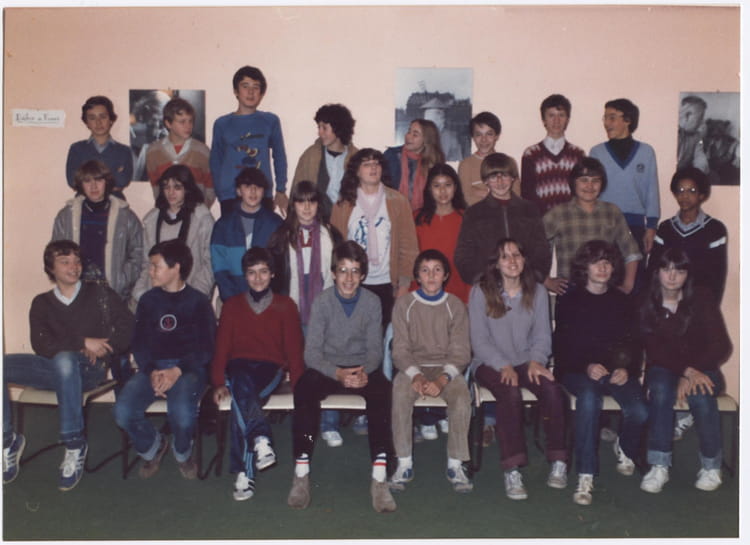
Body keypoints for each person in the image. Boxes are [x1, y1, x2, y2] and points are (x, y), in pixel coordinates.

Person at [3, 240, 133, 490]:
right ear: (50, 268)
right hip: (53, 369)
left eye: (77, 261)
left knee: (64, 359)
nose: (73, 267)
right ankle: (7, 441)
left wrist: (104, 348)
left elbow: (128, 327)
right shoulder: (41, 302)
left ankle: (74, 444)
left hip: (89, 371)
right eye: (65, 262)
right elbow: (41, 344)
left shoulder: (100, 293)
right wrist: (82, 342)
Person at [287, 241, 396, 513]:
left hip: (361, 367)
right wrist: (337, 373)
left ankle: (379, 477)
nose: (349, 278)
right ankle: (301, 472)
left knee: (383, 391)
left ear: (363, 275)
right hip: (329, 367)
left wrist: (363, 372)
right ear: (334, 273)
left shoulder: (372, 302)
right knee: (303, 388)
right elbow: (312, 353)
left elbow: (375, 350)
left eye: (355, 271)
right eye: (343, 270)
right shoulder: (323, 302)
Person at [469, 239, 567, 500]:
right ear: (496, 264)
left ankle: (558, 460)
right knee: (509, 391)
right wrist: (503, 365)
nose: (512, 261)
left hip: (526, 361)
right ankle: (512, 469)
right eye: (505, 256)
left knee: (552, 389)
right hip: (489, 362)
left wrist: (536, 360)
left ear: (524, 260)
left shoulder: (537, 291)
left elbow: (543, 335)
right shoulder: (481, 291)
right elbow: (479, 341)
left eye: (516, 255)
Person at [552, 240, 648, 506]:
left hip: (615, 371)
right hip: (577, 370)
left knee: (640, 411)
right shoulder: (569, 300)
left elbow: (633, 343)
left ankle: (624, 446)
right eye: (596, 262)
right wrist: (586, 366)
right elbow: (562, 346)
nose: (603, 267)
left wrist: (626, 368)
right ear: (585, 267)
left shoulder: (622, 301)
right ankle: (586, 474)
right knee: (589, 400)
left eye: (607, 262)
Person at [113, 239, 215, 480]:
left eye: (155, 266)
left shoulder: (198, 302)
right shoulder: (148, 301)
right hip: (154, 368)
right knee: (123, 411)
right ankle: (153, 446)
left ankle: (183, 452)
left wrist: (177, 370)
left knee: (182, 413)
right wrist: (151, 371)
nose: (150, 272)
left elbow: (206, 348)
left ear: (176, 267)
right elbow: (139, 344)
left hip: (188, 369)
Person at [211, 247, 304, 501]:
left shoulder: (286, 305)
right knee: (241, 383)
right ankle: (260, 439)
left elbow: (294, 351)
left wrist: (299, 386)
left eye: (263, 272)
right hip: (238, 368)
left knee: (242, 397)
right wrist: (218, 382)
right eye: (252, 273)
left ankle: (245, 471)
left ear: (272, 274)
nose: (258, 278)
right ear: (245, 275)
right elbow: (221, 349)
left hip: (269, 369)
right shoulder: (232, 306)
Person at [637, 248, 732, 494]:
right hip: (665, 368)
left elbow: (721, 345)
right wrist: (685, 372)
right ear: (657, 272)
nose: (672, 276)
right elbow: (654, 350)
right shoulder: (647, 302)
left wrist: (693, 371)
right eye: (666, 269)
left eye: (679, 270)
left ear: (687, 274)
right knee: (660, 389)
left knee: (701, 394)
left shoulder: (702, 297)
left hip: (703, 367)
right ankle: (659, 465)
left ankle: (711, 466)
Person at [267, 180, 344, 448]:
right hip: (292, 312)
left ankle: (330, 423)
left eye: (312, 201)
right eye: (301, 201)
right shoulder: (281, 236)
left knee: (326, 366)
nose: (307, 207)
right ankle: (303, 421)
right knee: (299, 368)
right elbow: (273, 278)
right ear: (293, 205)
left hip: (324, 313)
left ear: (318, 204)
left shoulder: (331, 235)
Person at [390, 249, 472, 492]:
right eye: (425, 271)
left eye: (437, 270)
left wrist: (444, 379)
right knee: (400, 393)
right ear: (417, 276)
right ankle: (404, 462)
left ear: (445, 275)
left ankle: (456, 464)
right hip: (413, 367)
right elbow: (400, 349)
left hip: (446, 368)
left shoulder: (455, 305)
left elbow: (461, 351)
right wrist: (414, 375)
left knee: (461, 396)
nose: (431, 276)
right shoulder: (404, 304)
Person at [331, 148, 419, 327]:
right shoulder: (343, 204)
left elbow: (408, 247)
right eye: (366, 164)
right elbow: (336, 248)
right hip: (353, 282)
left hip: (387, 283)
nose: (373, 168)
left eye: (376, 164)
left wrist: (403, 286)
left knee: (384, 334)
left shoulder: (398, 201)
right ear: (356, 171)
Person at [542, 157, 642, 297]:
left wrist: (628, 285)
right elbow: (535, 249)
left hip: (605, 289)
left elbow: (631, 252)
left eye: (595, 181)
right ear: (573, 182)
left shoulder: (612, 212)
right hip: (570, 291)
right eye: (584, 180)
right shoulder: (558, 213)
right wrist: (546, 281)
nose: (590, 186)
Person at [590, 98, 660, 290]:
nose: (607, 123)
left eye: (612, 117)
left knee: (634, 283)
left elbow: (651, 190)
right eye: (605, 118)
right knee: (605, 279)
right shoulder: (597, 153)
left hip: (635, 227)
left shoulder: (646, 152)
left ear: (627, 120)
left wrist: (651, 227)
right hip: (604, 225)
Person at [454, 153, 551, 287]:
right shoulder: (474, 213)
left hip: (525, 285)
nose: (500, 182)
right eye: (493, 177)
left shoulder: (529, 209)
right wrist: (482, 279)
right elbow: (463, 254)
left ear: (513, 178)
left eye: (504, 175)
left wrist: (533, 277)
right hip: (489, 287)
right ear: (485, 180)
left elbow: (542, 250)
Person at [52, 159, 143, 301]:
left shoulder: (125, 217)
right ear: (81, 184)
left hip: (113, 294)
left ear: (106, 182)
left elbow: (139, 253)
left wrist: (122, 279)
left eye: (99, 180)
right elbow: (55, 253)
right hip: (76, 294)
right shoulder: (66, 216)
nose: (93, 186)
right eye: (87, 181)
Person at [209, 65, 288, 216]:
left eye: (256, 87)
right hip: (230, 195)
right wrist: (220, 192)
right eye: (245, 86)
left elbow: (279, 156)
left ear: (262, 93)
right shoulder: (222, 124)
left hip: (262, 193)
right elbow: (215, 161)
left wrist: (281, 189)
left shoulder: (270, 121)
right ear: (236, 91)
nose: (250, 92)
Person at [132, 165, 214, 306]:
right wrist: (141, 293)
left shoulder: (202, 219)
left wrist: (195, 296)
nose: (171, 192)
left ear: (187, 189)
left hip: (190, 296)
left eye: (177, 187)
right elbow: (147, 263)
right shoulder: (152, 220)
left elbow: (209, 263)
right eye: (166, 187)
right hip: (157, 297)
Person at [649, 167, 727, 304]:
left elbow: (717, 275)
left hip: (699, 301)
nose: (685, 196)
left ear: (701, 195)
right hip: (667, 298)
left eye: (692, 191)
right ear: (675, 194)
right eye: (680, 190)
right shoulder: (665, 228)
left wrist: (710, 307)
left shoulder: (715, 229)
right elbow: (653, 268)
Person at [211, 167, 283, 302]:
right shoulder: (223, 225)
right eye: (247, 186)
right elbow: (219, 268)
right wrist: (233, 300)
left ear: (264, 191)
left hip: (268, 301)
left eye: (258, 187)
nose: (253, 191)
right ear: (239, 191)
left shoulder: (275, 224)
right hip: (231, 300)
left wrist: (270, 299)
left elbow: (280, 267)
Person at [413, 163, 470, 303]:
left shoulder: (467, 218)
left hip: (460, 292)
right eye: (437, 186)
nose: (443, 191)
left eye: (448, 185)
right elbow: (410, 258)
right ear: (429, 189)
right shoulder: (416, 218)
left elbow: (472, 260)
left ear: (455, 187)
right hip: (423, 290)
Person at [521, 94, 586, 215]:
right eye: (551, 115)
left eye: (561, 115)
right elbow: (527, 194)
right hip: (541, 220)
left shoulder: (578, 154)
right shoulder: (531, 154)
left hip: (571, 219)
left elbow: (581, 192)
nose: (556, 120)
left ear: (567, 119)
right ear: (543, 120)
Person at [145, 97, 215, 208]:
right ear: (168, 123)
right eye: (182, 122)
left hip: (196, 212)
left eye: (190, 121)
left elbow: (210, 185)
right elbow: (156, 186)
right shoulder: (153, 152)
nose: (188, 126)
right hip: (168, 212)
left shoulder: (202, 151)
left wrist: (202, 208)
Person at [290, 103, 358, 217]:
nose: (319, 132)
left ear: (338, 128)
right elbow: (296, 191)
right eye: (319, 127)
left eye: (325, 128)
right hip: (316, 220)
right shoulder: (310, 156)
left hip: (348, 220)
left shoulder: (356, 157)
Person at [65, 95, 133, 196]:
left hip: (115, 202)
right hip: (83, 203)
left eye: (103, 117)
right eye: (92, 118)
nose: (98, 122)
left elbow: (122, 181)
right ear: (86, 122)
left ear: (111, 119)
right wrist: (112, 175)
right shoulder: (77, 149)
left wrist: (87, 178)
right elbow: (72, 181)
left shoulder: (124, 151)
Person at [383, 119, 446, 211]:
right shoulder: (392, 156)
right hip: (393, 212)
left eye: (415, 134)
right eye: (409, 131)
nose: (408, 136)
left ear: (426, 139)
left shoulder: (435, 162)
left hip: (423, 213)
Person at [457, 111, 502, 206]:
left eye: (489, 134)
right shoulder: (465, 165)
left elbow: (514, 197)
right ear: (473, 137)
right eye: (478, 134)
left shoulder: (507, 163)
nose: (484, 139)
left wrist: (479, 192)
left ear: (497, 136)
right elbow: (466, 198)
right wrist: (498, 193)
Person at [677, 95, 709, 173]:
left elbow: (700, 157)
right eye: (700, 117)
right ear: (687, 116)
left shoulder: (697, 136)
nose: (702, 121)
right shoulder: (667, 131)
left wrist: (699, 173)